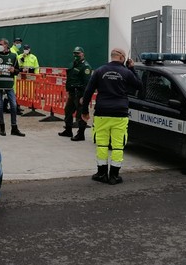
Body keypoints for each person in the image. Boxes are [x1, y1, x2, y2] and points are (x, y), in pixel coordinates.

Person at [80, 48, 141, 184]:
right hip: (120, 113)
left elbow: (88, 91)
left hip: (102, 112)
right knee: (118, 146)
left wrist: (84, 111)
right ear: (122, 58)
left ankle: (101, 174)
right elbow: (139, 86)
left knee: (102, 144)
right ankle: (114, 176)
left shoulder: (100, 71)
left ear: (112, 56)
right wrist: (132, 69)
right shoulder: (126, 72)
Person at [0, 38, 25, 137]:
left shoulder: (13, 56)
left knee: (13, 105)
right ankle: (2, 128)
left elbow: (18, 70)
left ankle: (14, 127)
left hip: (9, 85)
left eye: (1, 44)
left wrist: (14, 70)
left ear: (6, 46)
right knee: (0, 106)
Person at [58, 46, 92, 141]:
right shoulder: (74, 64)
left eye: (78, 53)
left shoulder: (85, 66)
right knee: (68, 111)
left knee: (81, 114)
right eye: (74, 53)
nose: (76, 55)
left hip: (80, 94)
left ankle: (81, 134)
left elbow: (87, 83)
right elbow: (70, 78)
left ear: (82, 54)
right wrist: (68, 91)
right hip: (73, 93)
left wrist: (84, 97)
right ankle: (68, 130)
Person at [4, 37, 25, 114]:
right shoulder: (13, 52)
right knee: (12, 92)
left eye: (19, 43)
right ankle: (14, 109)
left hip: (12, 75)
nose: (18, 44)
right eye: (17, 42)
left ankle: (5, 107)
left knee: (9, 92)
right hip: (12, 75)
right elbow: (14, 63)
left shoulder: (15, 52)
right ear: (14, 43)